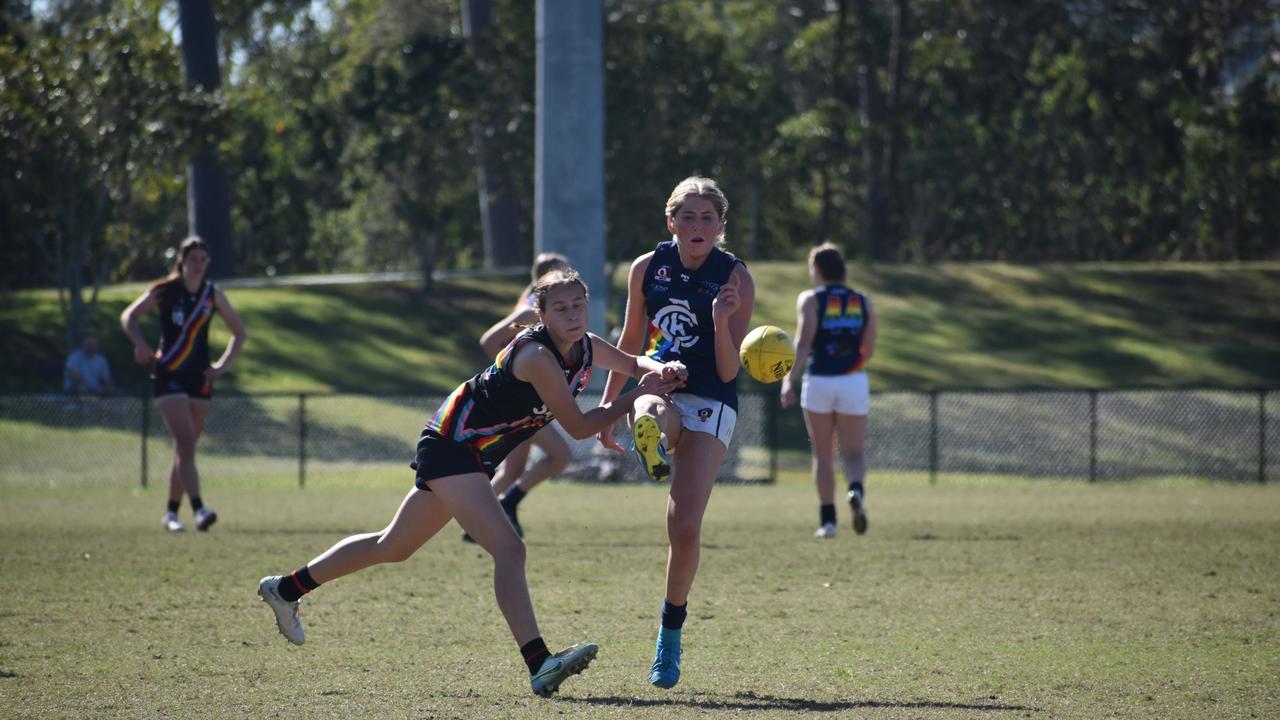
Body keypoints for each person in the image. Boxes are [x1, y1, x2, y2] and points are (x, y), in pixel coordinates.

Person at [256, 269, 688, 698]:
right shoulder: (537, 357)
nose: (573, 315)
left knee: (393, 546)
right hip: (452, 445)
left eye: (578, 305)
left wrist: (661, 366)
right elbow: (578, 427)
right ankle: (540, 664)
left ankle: (286, 588)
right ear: (541, 314)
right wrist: (635, 396)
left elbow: (633, 363)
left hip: (471, 453)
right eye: (560, 308)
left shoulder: (587, 346)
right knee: (509, 548)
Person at [596, 176, 755, 689]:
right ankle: (653, 436)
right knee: (648, 402)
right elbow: (628, 339)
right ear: (671, 223)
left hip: (712, 398)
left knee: (683, 528)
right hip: (659, 383)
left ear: (721, 227)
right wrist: (604, 405)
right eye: (687, 216)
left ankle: (669, 635)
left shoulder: (734, 278)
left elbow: (730, 372)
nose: (697, 226)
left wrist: (719, 318)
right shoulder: (648, 268)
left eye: (707, 218)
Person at [120, 236, 247, 533]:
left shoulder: (211, 295)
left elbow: (239, 333)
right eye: (193, 260)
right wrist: (140, 345)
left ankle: (171, 514)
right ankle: (200, 509)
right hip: (169, 374)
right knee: (186, 442)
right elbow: (130, 316)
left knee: (185, 448)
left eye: (203, 260)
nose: (198, 265)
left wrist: (220, 367)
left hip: (199, 379)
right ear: (182, 261)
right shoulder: (166, 290)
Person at [471, 252, 573, 539]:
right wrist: (511, 374)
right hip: (517, 403)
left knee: (513, 469)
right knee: (560, 455)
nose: (570, 279)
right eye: (564, 274)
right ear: (546, 279)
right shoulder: (532, 310)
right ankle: (507, 503)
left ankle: (475, 520)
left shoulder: (547, 308)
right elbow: (489, 341)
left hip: (527, 403)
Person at [780, 242, 877, 539]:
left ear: (818, 270)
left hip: (819, 380)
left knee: (823, 454)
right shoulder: (863, 300)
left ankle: (828, 522)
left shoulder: (810, 299)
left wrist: (788, 380)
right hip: (853, 381)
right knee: (854, 453)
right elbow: (869, 348)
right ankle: (856, 490)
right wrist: (850, 368)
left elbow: (804, 342)